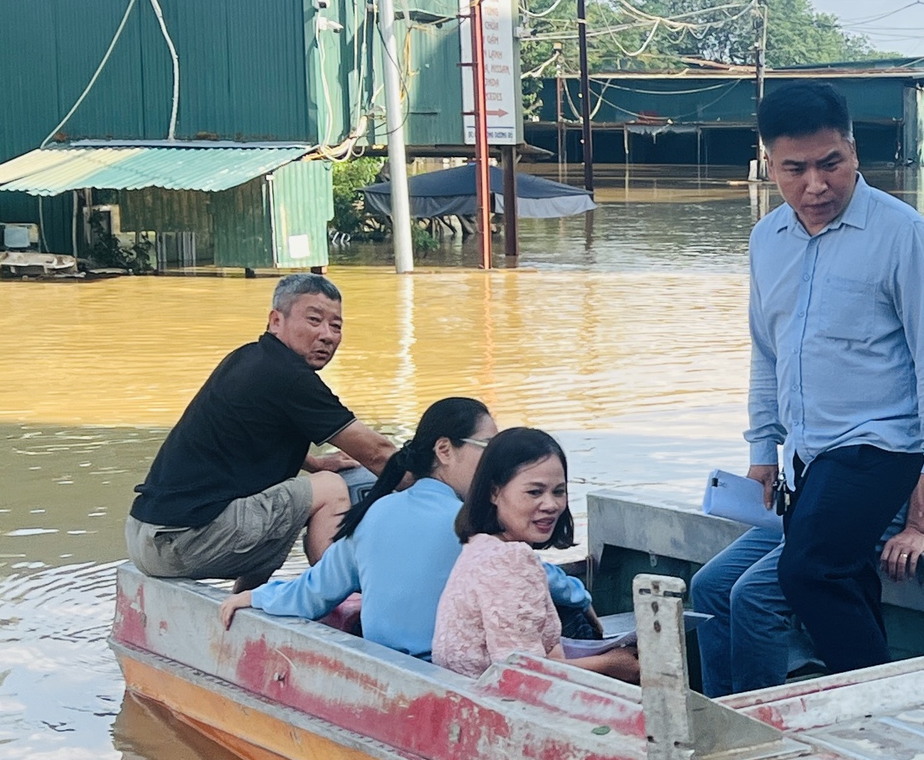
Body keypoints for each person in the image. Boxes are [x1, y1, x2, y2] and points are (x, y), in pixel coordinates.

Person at [741, 81, 924, 674]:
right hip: (808, 454)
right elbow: (768, 352)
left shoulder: (901, 233)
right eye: (795, 169)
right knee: (835, 577)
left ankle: (864, 704)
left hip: (883, 445)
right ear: (769, 165)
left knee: (809, 569)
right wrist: (762, 446)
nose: (815, 186)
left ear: (854, 151)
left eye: (830, 164)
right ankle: (868, 696)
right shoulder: (767, 240)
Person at [127, 275, 395, 587]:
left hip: (146, 534)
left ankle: (246, 605)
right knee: (330, 489)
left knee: (280, 494)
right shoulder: (291, 378)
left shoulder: (248, 358)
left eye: (336, 326)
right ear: (275, 320)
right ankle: (338, 599)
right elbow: (377, 452)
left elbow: (246, 438)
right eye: (314, 320)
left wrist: (315, 463)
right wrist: (438, 486)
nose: (326, 335)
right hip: (180, 541)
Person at [217, 397, 495, 658]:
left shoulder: (375, 513)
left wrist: (255, 596)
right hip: (451, 676)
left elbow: (311, 593)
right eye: (489, 448)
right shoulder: (475, 526)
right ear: (444, 450)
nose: (498, 464)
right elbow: (527, 585)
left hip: (384, 671)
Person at [435, 428, 640, 683]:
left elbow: (528, 658)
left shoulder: (480, 546)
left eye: (558, 491)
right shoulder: (511, 561)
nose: (551, 505)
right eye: (534, 492)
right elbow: (523, 676)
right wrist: (610, 664)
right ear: (494, 492)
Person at [690, 510, 924, 695]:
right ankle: (722, 712)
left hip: (862, 500)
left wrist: (917, 527)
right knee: (710, 585)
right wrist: (763, 456)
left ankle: (757, 724)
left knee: (754, 596)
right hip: (804, 502)